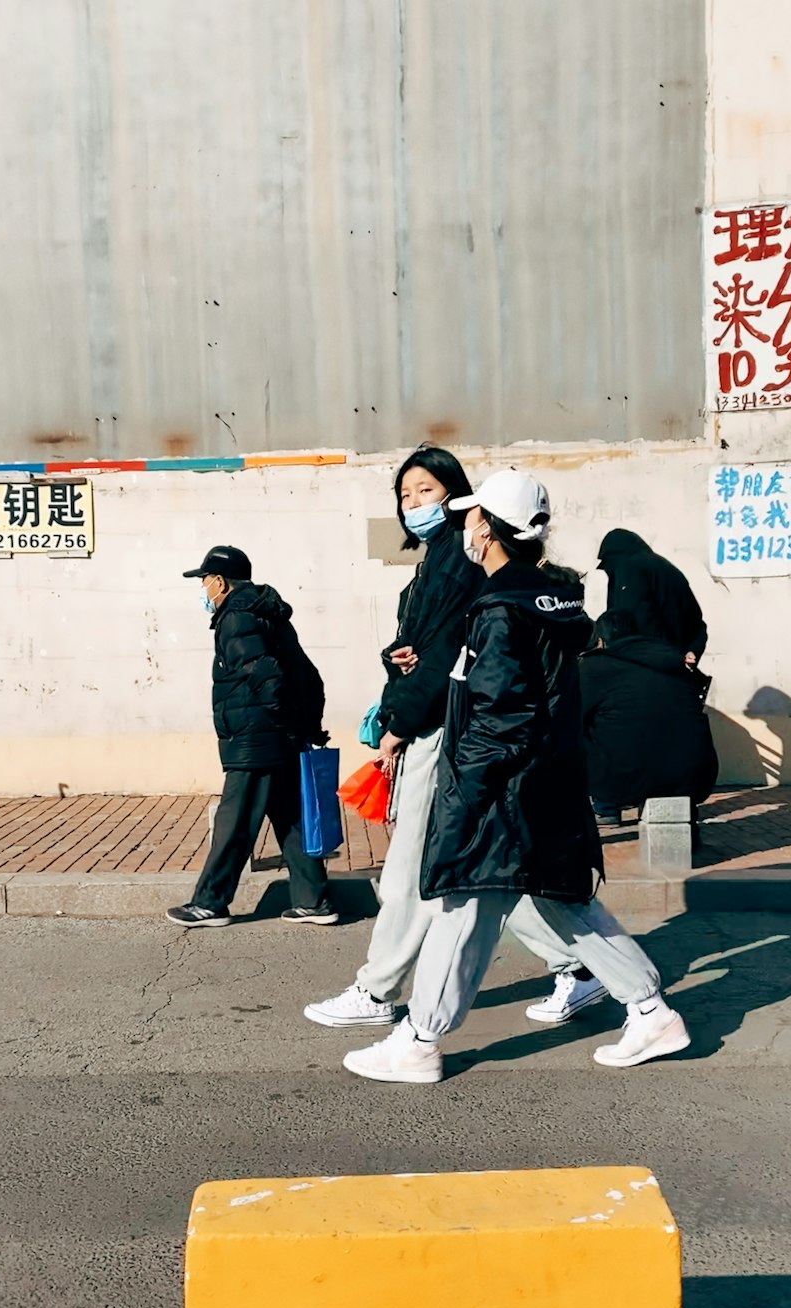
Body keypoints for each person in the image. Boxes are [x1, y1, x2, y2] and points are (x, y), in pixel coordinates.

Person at [342, 471, 691, 1084]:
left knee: (462, 906)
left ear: (490, 528)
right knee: (561, 902)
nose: (465, 527)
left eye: (473, 518)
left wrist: (465, 800)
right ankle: (649, 1010)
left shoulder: (500, 610)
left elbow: (499, 718)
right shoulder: (552, 599)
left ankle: (419, 1040)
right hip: (548, 783)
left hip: (503, 791)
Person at [303, 445, 483, 1024]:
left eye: (425, 491)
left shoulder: (456, 559)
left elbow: (446, 658)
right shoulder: (437, 558)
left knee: (407, 867)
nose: (414, 504)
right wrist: (396, 657)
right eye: (405, 496)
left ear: (454, 492)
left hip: (440, 727)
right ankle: (581, 968)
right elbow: (426, 650)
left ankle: (377, 992)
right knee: (490, 873)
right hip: (441, 719)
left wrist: (397, 727)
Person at [166, 545, 336, 929]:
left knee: (235, 822)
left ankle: (209, 904)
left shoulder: (236, 616)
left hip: (255, 739)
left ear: (220, 582)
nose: (204, 590)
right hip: (281, 737)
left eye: (205, 581)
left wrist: (277, 721)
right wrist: (303, 726)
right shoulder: (267, 613)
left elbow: (264, 674)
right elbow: (308, 675)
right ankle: (313, 902)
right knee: (292, 819)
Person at [580, 609, 719, 818]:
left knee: (579, 729)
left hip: (621, 779)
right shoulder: (677, 664)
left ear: (602, 638)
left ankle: (606, 807)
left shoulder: (595, 666)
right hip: (695, 775)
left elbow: (572, 716)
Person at [597, 529, 708, 665]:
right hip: (678, 660)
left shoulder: (630, 567)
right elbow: (695, 619)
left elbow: (631, 620)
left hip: (650, 662)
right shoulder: (663, 566)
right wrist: (692, 650)